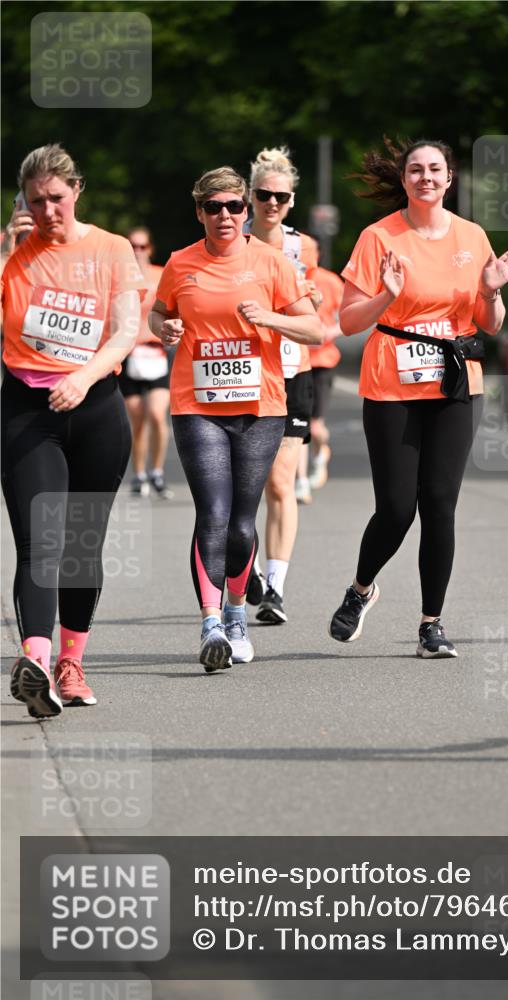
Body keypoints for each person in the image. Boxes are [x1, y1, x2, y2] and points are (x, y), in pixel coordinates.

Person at [328, 138, 508, 656]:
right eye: (416, 170)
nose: (426, 178)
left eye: (435, 169)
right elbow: (348, 322)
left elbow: (491, 324)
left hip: (456, 379)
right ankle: (360, 590)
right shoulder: (379, 237)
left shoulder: (471, 235)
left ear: (449, 177)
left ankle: (430, 625)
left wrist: (491, 290)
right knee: (396, 508)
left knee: (440, 504)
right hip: (392, 380)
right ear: (405, 179)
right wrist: (387, 295)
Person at [149, 166, 321, 670]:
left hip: (260, 406)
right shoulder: (181, 263)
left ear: (246, 211)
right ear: (199, 211)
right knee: (214, 513)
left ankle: (236, 613)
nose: (224, 216)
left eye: (234, 207)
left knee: (243, 522)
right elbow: (159, 313)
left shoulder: (271, 262)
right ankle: (209, 623)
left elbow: (313, 328)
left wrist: (271, 319)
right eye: (213, 207)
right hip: (197, 404)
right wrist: (167, 328)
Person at [1, 143, 144, 718]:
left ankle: (71, 661)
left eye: (56, 199)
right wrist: (5, 246)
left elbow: (126, 328)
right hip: (28, 408)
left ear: (76, 191)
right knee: (40, 541)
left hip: (96, 407)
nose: (47, 211)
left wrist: (84, 378)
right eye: (36, 202)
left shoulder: (110, 249)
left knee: (81, 547)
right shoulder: (15, 252)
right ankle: (34, 661)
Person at [244, 147, 321, 623]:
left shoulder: (304, 246)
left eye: (281, 196)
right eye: (263, 195)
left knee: (280, 480)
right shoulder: (230, 235)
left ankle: (274, 585)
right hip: (245, 370)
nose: (272, 203)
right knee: (245, 485)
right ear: (250, 197)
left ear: (292, 201)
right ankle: (243, 568)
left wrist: (305, 299)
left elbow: (310, 314)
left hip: (293, 368)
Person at [119, 227, 173, 499]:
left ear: (150, 248)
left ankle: (157, 471)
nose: (137, 251)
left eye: (142, 246)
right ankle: (139, 474)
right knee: (137, 419)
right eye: (133, 246)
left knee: (156, 414)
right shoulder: (120, 276)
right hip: (129, 355)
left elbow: (173, 307)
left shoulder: (162, 274)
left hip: (155, 353)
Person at [298, 259, 345, 494]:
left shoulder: (330, 281)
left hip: (322, 362)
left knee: (315, 427)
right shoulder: (287, 275)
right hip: (294, 363)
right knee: (296, 426)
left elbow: (347, 318)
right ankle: (300, 481)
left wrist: (327, 333)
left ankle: (320, 454)